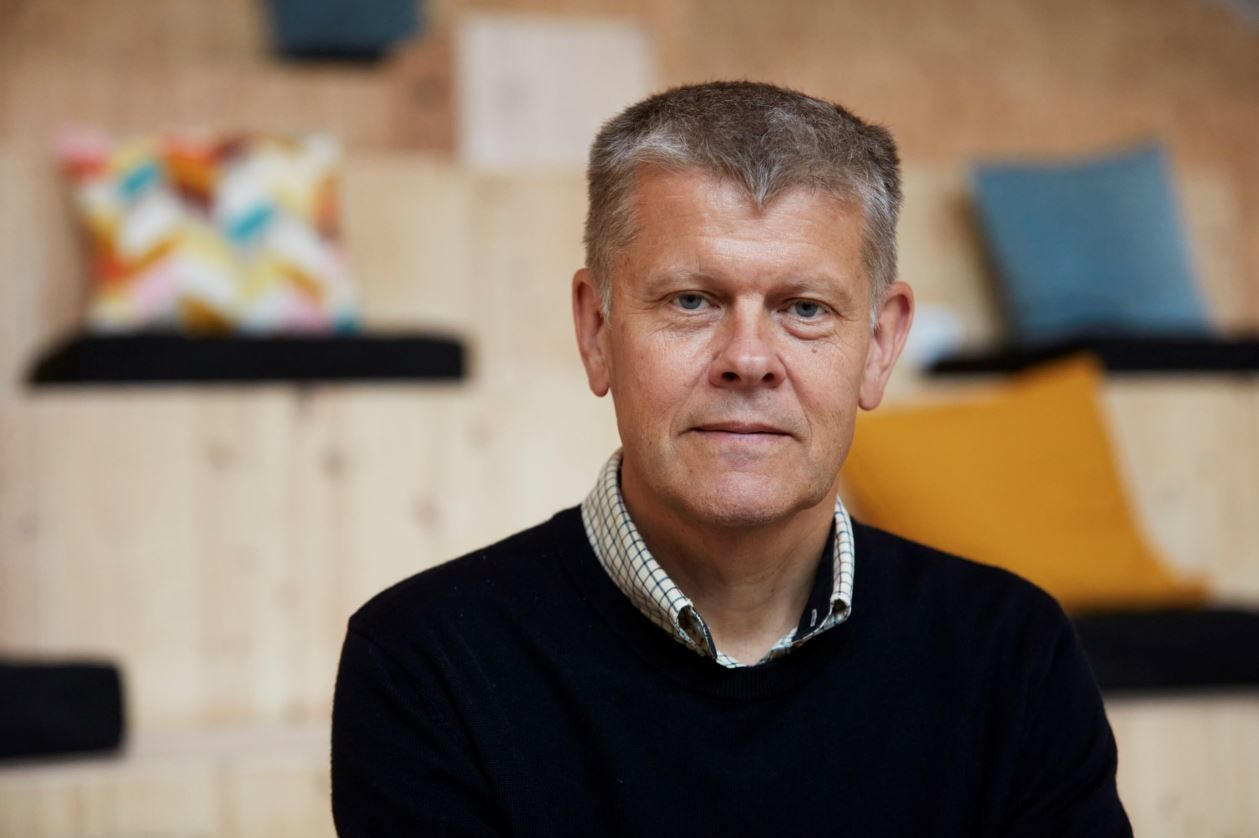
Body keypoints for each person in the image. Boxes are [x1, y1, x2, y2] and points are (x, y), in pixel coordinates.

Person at [331, 81, 1132, 836]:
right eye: (691, 301)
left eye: (804, 309)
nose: (747, 359)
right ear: (596, 328)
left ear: (880, 344)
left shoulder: (1012, 653)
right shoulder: (423, 663)